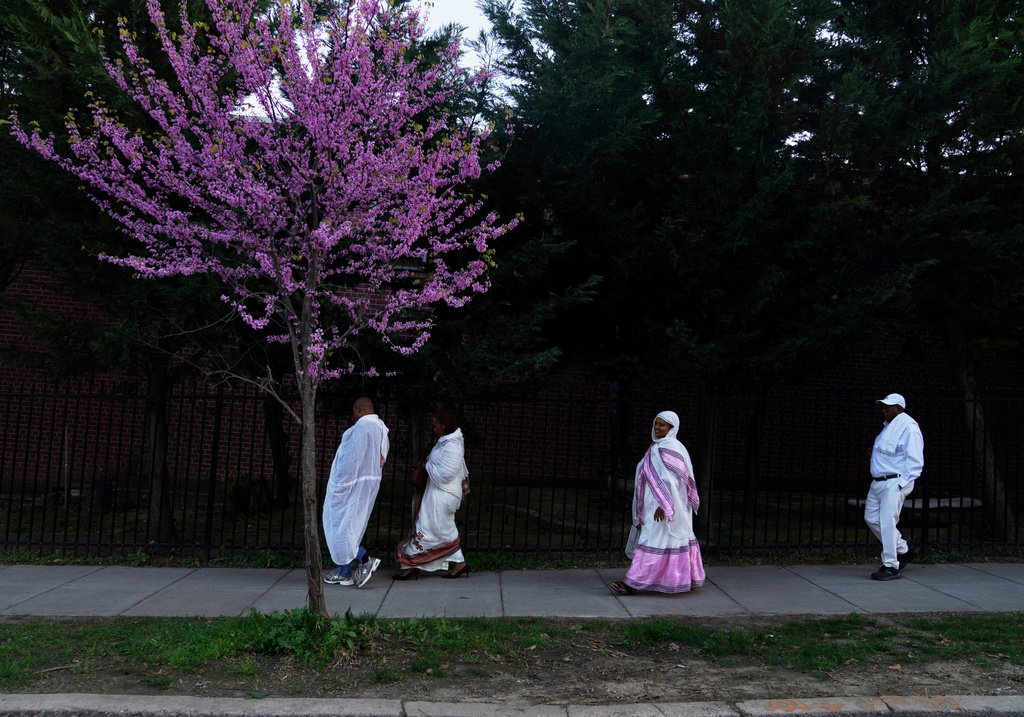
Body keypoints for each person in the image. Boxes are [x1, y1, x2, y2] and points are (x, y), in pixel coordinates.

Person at [609, 411, 705, 595]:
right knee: (670, 541)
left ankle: (632, 584)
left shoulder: (672, 448)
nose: (657, 427)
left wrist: (665, 505)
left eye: (662, 425)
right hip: (657, 506)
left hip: (665, 508)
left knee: (654, 540)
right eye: (656, 423)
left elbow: (676, 481)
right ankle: (687, 579)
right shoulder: (657, 447)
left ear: (672, 428)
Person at [394, 407, 470, 580]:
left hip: (444, 495)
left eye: (436, 426)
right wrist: (426, 463)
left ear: (444, 425)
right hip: (438, 494)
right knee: (435, 528)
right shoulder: (445, 442)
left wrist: (426, 466)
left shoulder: (453, 445)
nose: (434, 429)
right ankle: (458, 564)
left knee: (434, 528)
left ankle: (414, 565)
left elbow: (446, 474)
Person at [322, 396, 389, 587]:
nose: (353, 416)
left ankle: (365, 560)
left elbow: (350, 461)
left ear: (358, 409)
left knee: (339, 527)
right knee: (351, 527)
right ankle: (344, 572)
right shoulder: (381, 429)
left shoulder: (362, 427)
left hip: (351, 485)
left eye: (353, 412)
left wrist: (338, 484)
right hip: (368, 484)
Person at [865, 393, 924, 581]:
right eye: (882, 407)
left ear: (898, 409)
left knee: (887, 521)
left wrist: (900, 484)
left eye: (887, 407)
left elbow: (915, 461)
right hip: (879, 481)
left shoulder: (909, 428)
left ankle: (891, 565)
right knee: (871, 518)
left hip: (893, 482)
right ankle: (903, 550)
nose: (883, 410)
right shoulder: (888, 428)